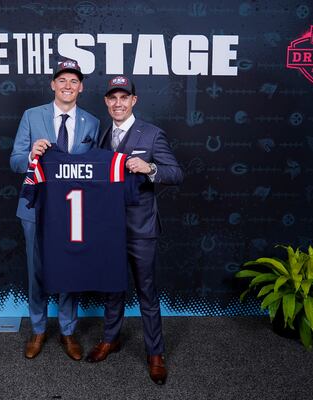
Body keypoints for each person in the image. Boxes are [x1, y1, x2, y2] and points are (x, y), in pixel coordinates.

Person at [86, 76, 183, 384]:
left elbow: (177, 173)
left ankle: (155, 353)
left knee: (146, 292)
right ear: (106, 101)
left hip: (141, 229)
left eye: (124, 98)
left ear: (134, 101)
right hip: (110, 229)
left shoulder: (152, 135)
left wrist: (150, 168)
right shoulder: (102, 137)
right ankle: (111, 339)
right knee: (113, 287)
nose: (118, 103)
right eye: (113, 98)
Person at [10, 59, 100, 361]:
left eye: (74, 81)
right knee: (36, 270)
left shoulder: (92, 122)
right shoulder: (31, 116)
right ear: (52, 84)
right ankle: (37, 328)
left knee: (70, 269)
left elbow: (94, 166)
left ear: (81, 87)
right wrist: (30, 155)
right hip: (36, 206)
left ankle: (67, 329)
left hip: (72, 209)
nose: (67, 86)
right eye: (62, 80)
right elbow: (15, 160)